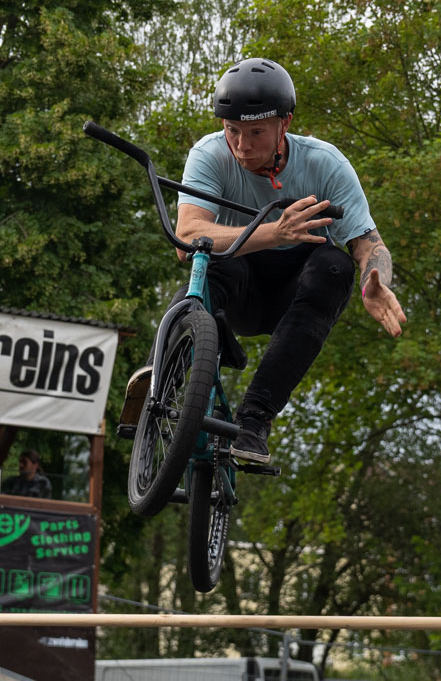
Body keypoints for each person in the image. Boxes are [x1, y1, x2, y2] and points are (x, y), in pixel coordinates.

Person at [121, 57, 406, 465]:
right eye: (232, 130)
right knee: (211, 254)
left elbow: (368, 244)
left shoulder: (325, 164)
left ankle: (255, 419)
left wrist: (374, 280)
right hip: (237, 286)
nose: (242, 145)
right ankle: (160, 376)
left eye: (256, 133)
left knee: (335, 266)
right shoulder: (210, 155)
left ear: (284, 124)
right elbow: (186, 238)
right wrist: (275, 232)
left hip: (296, 297)